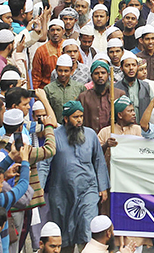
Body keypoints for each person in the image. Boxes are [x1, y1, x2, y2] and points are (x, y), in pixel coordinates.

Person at [47, 101, 109, 253]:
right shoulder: (54, 136)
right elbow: (44, 164)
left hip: (88, 190)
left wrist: (103, 187)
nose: (80, 120)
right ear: (66, 119)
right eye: (75, 117)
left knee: (87, 226)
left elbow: (99, 160)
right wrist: (40, 188)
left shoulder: (91, 135)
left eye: (81, 116)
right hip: (61, 191)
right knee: (64, 233)